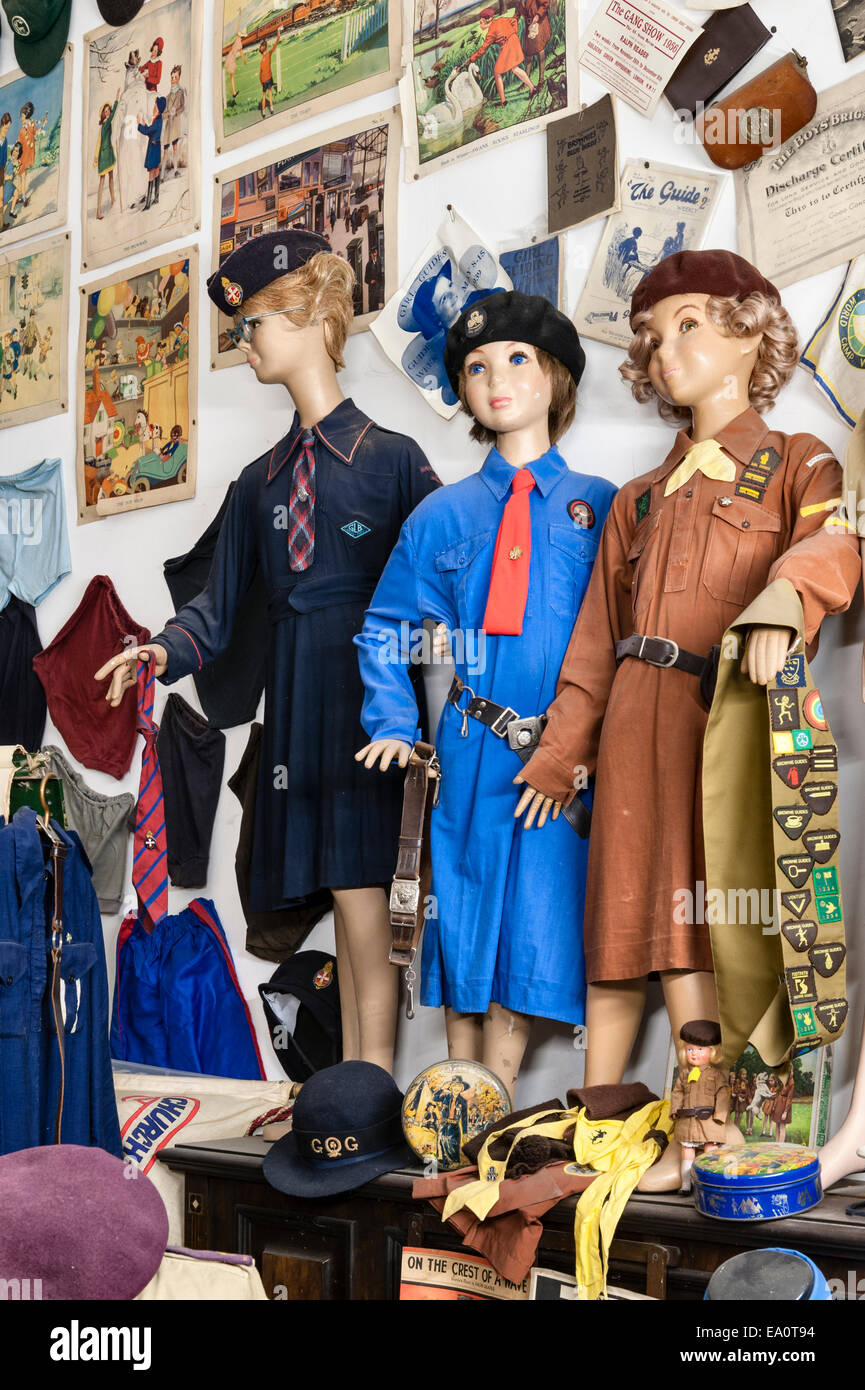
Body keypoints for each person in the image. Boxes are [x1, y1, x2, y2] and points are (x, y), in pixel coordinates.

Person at [514, 249, 860, 1188]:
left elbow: (834, 542)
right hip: (636, 712)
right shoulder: (635, 499)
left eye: (689, 326)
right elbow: (594, 640)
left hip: (729, 717)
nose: (664, 351)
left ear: (752, 331)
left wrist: (784, 605)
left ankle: (701, 1129)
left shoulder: (797, 458)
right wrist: (558, 754)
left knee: (710, 916)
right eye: (650, 338)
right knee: (623, 910)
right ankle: (601, 1127)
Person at [94, 231, 440, 1076]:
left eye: (251, 326)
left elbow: (442, 585)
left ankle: (372, 1086)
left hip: (368, 699)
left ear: (315, 318)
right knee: (339, 891)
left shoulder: (393, 462)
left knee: (367, 895)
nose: (242, 343)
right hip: (292, 701)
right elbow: (217, 605)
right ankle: (361, 1087)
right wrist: (161, 653)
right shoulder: (257, 481)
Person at [356, 291, 615, 1096]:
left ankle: (489, 1095)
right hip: (470, 750)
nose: (494, 380)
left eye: (516, 360)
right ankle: (461, 1098)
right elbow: (385, 630)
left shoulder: (602, 506)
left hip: (564, 754)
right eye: (474, 367)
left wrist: (580, 746)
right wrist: (394, 717)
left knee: (539, 919)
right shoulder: (439, 515)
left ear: (555, 377)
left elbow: (621, 635)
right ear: (459, 390)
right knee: (461, 915)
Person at [670, 1021, 730, 1192]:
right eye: (690, 1049)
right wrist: (675, 1110)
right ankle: (686, 1184)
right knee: (687, 1150)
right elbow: (677, 1093)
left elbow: (723, 1094)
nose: (694, 1054)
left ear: (713, 1052)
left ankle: (708, 1183)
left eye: (700, 1049)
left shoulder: (715, 1075)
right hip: (688, 1121)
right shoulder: (685, 1074)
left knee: (711, 1150)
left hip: (709, 1121)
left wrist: (719, 1116)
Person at [461, 8, 536, 107]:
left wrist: (471, 59)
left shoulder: (491, 33)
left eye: (481, 21)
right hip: (514, 41)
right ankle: (532, 88)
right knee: (515, 68)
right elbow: (514, 21)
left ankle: (503, 101)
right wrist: (513, 33)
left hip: (508, 46)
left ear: (487, 20)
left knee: (497, 72)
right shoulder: (501, 20)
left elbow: (483, 49)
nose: (480, 23)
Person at [93, 90, 120, 220]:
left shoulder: (103, 125)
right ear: (103, 114)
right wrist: (116, 100)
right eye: (106, 111)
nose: (108, 112)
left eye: (109, 110)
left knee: (110, 178)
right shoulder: (106, 123)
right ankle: (98, 211)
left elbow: (99, 142)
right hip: (105, 155)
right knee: (103, 181)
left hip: (107, 152)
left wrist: (95, 156)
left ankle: (113, 200)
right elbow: (115, 113)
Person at [137, 95, 166, 210]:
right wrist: (145, 125)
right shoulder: (158, 120)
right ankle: (156, 197)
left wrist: (139, 124)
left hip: (153, 149)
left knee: (151, 173)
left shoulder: (157, 121)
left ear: (158, 108)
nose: (153, 108)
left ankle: (148, 203)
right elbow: (151, 131)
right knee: (156, 171)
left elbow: (148, 131)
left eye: (155, 106)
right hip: (156, 147)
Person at [514, 0, 551, 88]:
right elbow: (516, 15)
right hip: (529, 27)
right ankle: (526, 82)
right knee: (529, 54)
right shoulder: (519, 2)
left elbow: (545, 3)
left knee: (540, 50)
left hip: (539, 24)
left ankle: (541, 81)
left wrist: (538, 15)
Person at [162, 66, 187, 178]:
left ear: (178, 79)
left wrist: (176, 112)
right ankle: (162, 175)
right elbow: (163, 114)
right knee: (166, 150)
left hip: (176, 124)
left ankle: (176, 170)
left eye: (175, 77)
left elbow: (183, 107)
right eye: (171, 77)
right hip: (169, 126)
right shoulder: (167, 97)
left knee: (175, 147)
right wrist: (168, 114)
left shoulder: (180, 93)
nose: (173, 79)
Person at [258, 28, 284, 120]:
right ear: (266, 48)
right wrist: (278, 35)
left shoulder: (261, 61)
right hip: (269, 78)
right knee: (270, 93)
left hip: (264, 79)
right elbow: (275, 44)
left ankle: (264, 112)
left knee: (264, 95)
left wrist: (261, 82)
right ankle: (272, 108)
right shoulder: (269, 54)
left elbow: (260, 74)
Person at [224, 28, 247, 107]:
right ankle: (233, 92)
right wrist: (244, 60)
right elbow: (241, 53)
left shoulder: (237, 39)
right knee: (231, 76)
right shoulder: (239, 43)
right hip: (232, 58)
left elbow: (237, 28)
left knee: (231, 77)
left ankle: (234, 92)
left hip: (230, 56)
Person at [364, 245, 383, 312]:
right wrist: (370, 281)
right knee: (372, 308)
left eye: (375, 253)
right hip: (372, 291)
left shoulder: (380, 263)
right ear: (371, 255)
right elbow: (365, 279)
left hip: (378, 290)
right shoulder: (368, 265)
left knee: (378, 310)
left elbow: (381, 276)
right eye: (373, 254)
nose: (374, 255)